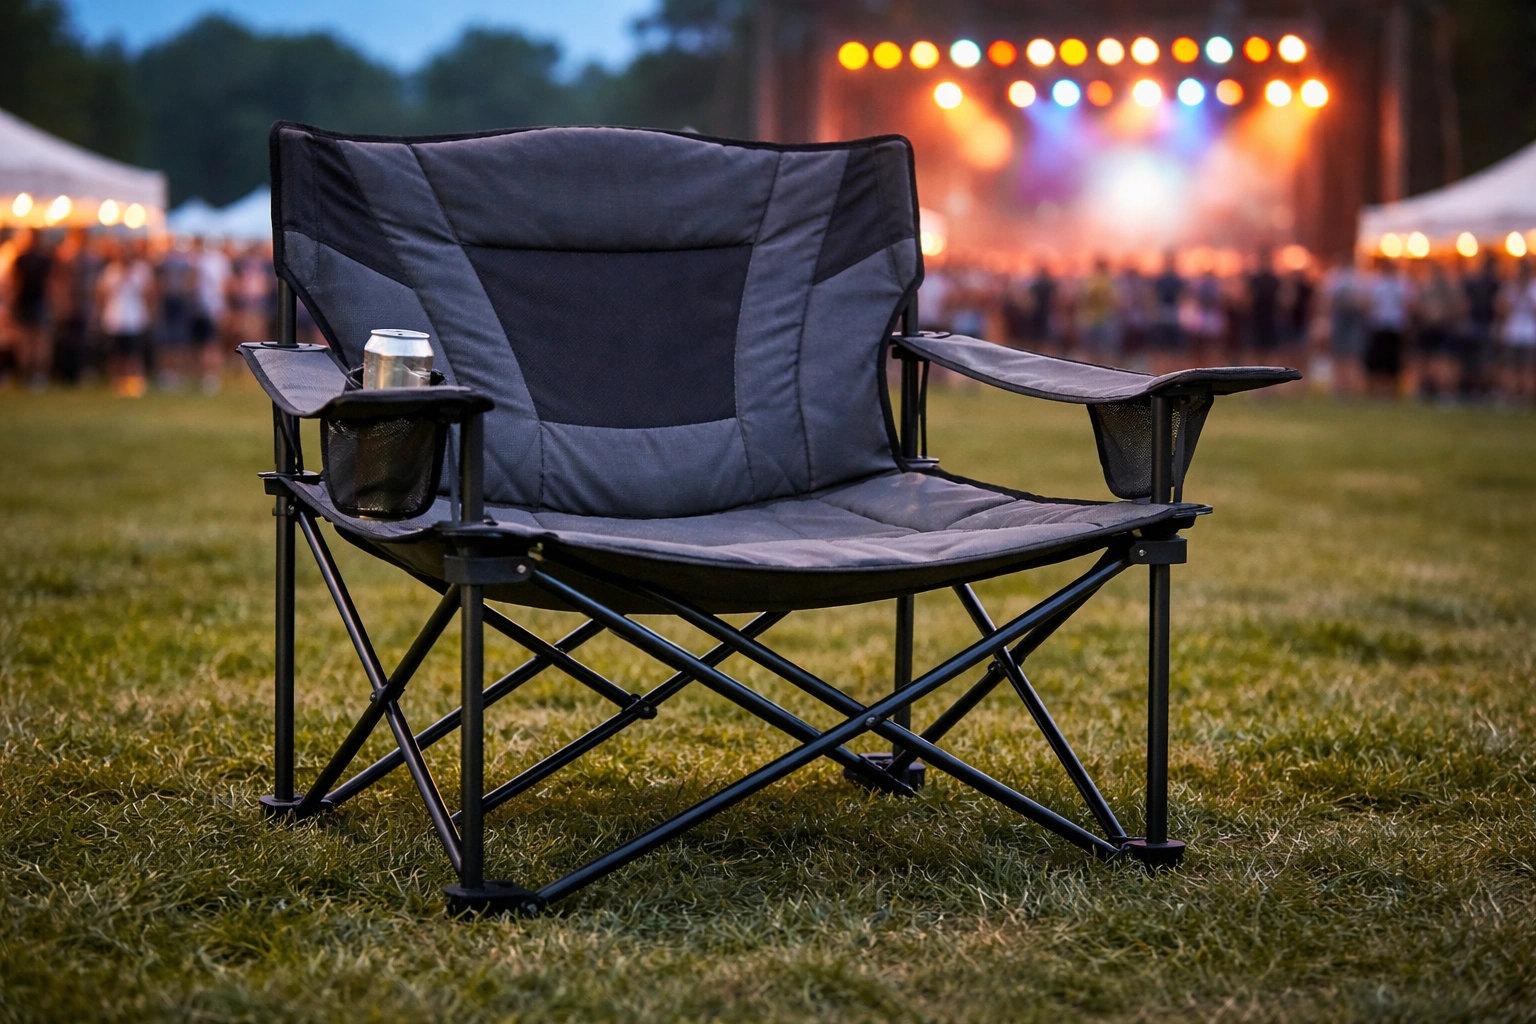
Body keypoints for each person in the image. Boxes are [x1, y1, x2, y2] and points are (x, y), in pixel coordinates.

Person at [96, 239, 156, 397]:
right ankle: (117, 383)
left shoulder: (141, 270)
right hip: (115, 318)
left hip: (135, 319)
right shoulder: (111, 271)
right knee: (117, 354)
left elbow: (149, 293)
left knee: (134, 354)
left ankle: (134, 383)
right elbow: (102, 292)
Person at [47, 228, 96, 385]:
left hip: (80, 307)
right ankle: (65, 374)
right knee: (67, 341)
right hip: (69, 307)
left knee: (79, 342)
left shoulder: (87, 258)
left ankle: (75, 373)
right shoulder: (66, 257)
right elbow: (58, 283)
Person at [9, 228, 55, 389]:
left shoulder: (21, 258)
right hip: (37, 303)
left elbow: (15, 284)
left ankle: (26, 376)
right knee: (38, 343)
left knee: (27, 343)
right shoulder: (45, 259)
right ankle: (37, 376)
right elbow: (51, 285)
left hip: (26, 303)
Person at [1364, 257, 1412, 398]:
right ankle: (1377, 392)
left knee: (1393, 362)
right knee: (1378, 362)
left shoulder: (1402, 283)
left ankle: (1392, 392)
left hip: (1395, 327)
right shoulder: (1376, 283)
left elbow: (1408, 304)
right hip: (1380, 326)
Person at [1414, 261, 1461, 400]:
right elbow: (1418, 306)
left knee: (1443, 361)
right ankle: (1425, 390)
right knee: (1426, 361)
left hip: (1443, 328)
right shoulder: (1425, 287)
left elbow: (1458, 306)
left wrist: (1442, 315)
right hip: (1428, 329)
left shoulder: (1449, 288)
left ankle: (1445, 391)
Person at [191, 236, 232, 393]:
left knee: (211, 343)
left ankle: (211, 376)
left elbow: (225, 286)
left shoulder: (217, 260)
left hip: (213, 307)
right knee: (204, 343)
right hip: (202, 308)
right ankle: (205, 375)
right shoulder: (199, 259)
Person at [1323, 261, 1367, 396]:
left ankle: (1348, 388)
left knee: (1350, 357)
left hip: (1351, 322)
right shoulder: (1337, 278)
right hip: (1341, 321)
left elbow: (1364, 302)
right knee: (1341, 356)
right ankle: (1341, 388)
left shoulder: (1357, 279)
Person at [1461, 255, 1500, 399]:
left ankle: (1479, 391)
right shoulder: (1492, 283)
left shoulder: (1491, 283)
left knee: (1482, 361)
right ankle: (1478, 391)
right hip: (1481, 325)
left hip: (1481, 325)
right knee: (1480, 361)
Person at [1497, 258, 1536, 403]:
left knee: (1528, 368)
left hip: (1530, 334)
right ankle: (1510, 396)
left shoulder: (1533, 287)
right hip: (1512, 333)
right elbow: (1501, 309)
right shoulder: (1510, 287)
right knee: (1510, 366)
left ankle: (1526, 397)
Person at [1077, 258, 1118, 362]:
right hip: (1091, 319)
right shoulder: (1089, 281)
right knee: (1091, 351)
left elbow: (1115, 301)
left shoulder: (1110, 281)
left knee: (1104, 350)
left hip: (1104, 319)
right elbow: (1082, 299)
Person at [1150, 253, 1184, 372]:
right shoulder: (1160, 279)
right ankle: (1161, 372)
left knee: (1174, 348)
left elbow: (1183, 297)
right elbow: (1153, 296)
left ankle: (1173, 372)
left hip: (1174, 314)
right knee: (1162, 347)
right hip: (1163, 313)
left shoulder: (1178, 279)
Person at [1247, 252, 1281, 358]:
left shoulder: (1275, 279)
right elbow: (1249, 299)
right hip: (1257, 318)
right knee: (1257, 350)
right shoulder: (1254, 279)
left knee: (1270, 351)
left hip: (1270, 318)